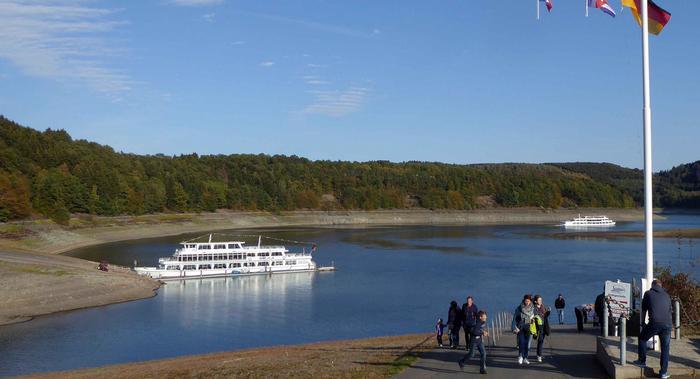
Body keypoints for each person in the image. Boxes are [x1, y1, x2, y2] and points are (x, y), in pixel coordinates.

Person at [633, 279, 673, 379]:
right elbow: (670, 311)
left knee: (642, 338)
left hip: (655, 323)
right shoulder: (667, 295)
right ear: (661, 286)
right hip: (667, 325)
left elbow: (643, 310)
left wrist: (642, 323)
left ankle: (642, 361)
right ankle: (663, 373)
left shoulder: (648, 293)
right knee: (665, 348)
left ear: (652, 285)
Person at [458, 310, 489, 375]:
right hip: (473, 341)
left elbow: (480, 330)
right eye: (484, 316)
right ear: (480, 317)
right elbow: (474, 332)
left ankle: (482, 369)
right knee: (472, 354)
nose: (486, 317)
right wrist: (483, 333)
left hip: (479, 341)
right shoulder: (476, 323)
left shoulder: (482, 322)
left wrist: (484, 332)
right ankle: (462, 361)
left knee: (483, 354)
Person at [512, 294, 534, 365]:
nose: (527, 302)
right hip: (520, 327)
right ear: (524, 300)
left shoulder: (532, 308)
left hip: (529, 327)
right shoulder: (519, 308)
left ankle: (525, 358)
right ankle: (520, 356)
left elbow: (535, 318)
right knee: (521, 342)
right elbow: (514, 318)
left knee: (527, 344)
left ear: (530, 301)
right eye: (526, 301)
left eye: (528, 301)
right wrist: (513, 328)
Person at [533, 295, 551, 362]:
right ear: (535, 301)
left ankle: (539, 354)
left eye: (541, 300)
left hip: (544, 325)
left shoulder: (543, 307)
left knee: (541, 341)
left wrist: (548, 312)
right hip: (538, 327)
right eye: (539, 300)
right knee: (540, 340)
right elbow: (535, 316)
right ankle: (539, 355)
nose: (541, 301)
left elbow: (545, 315)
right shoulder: (534, 308)